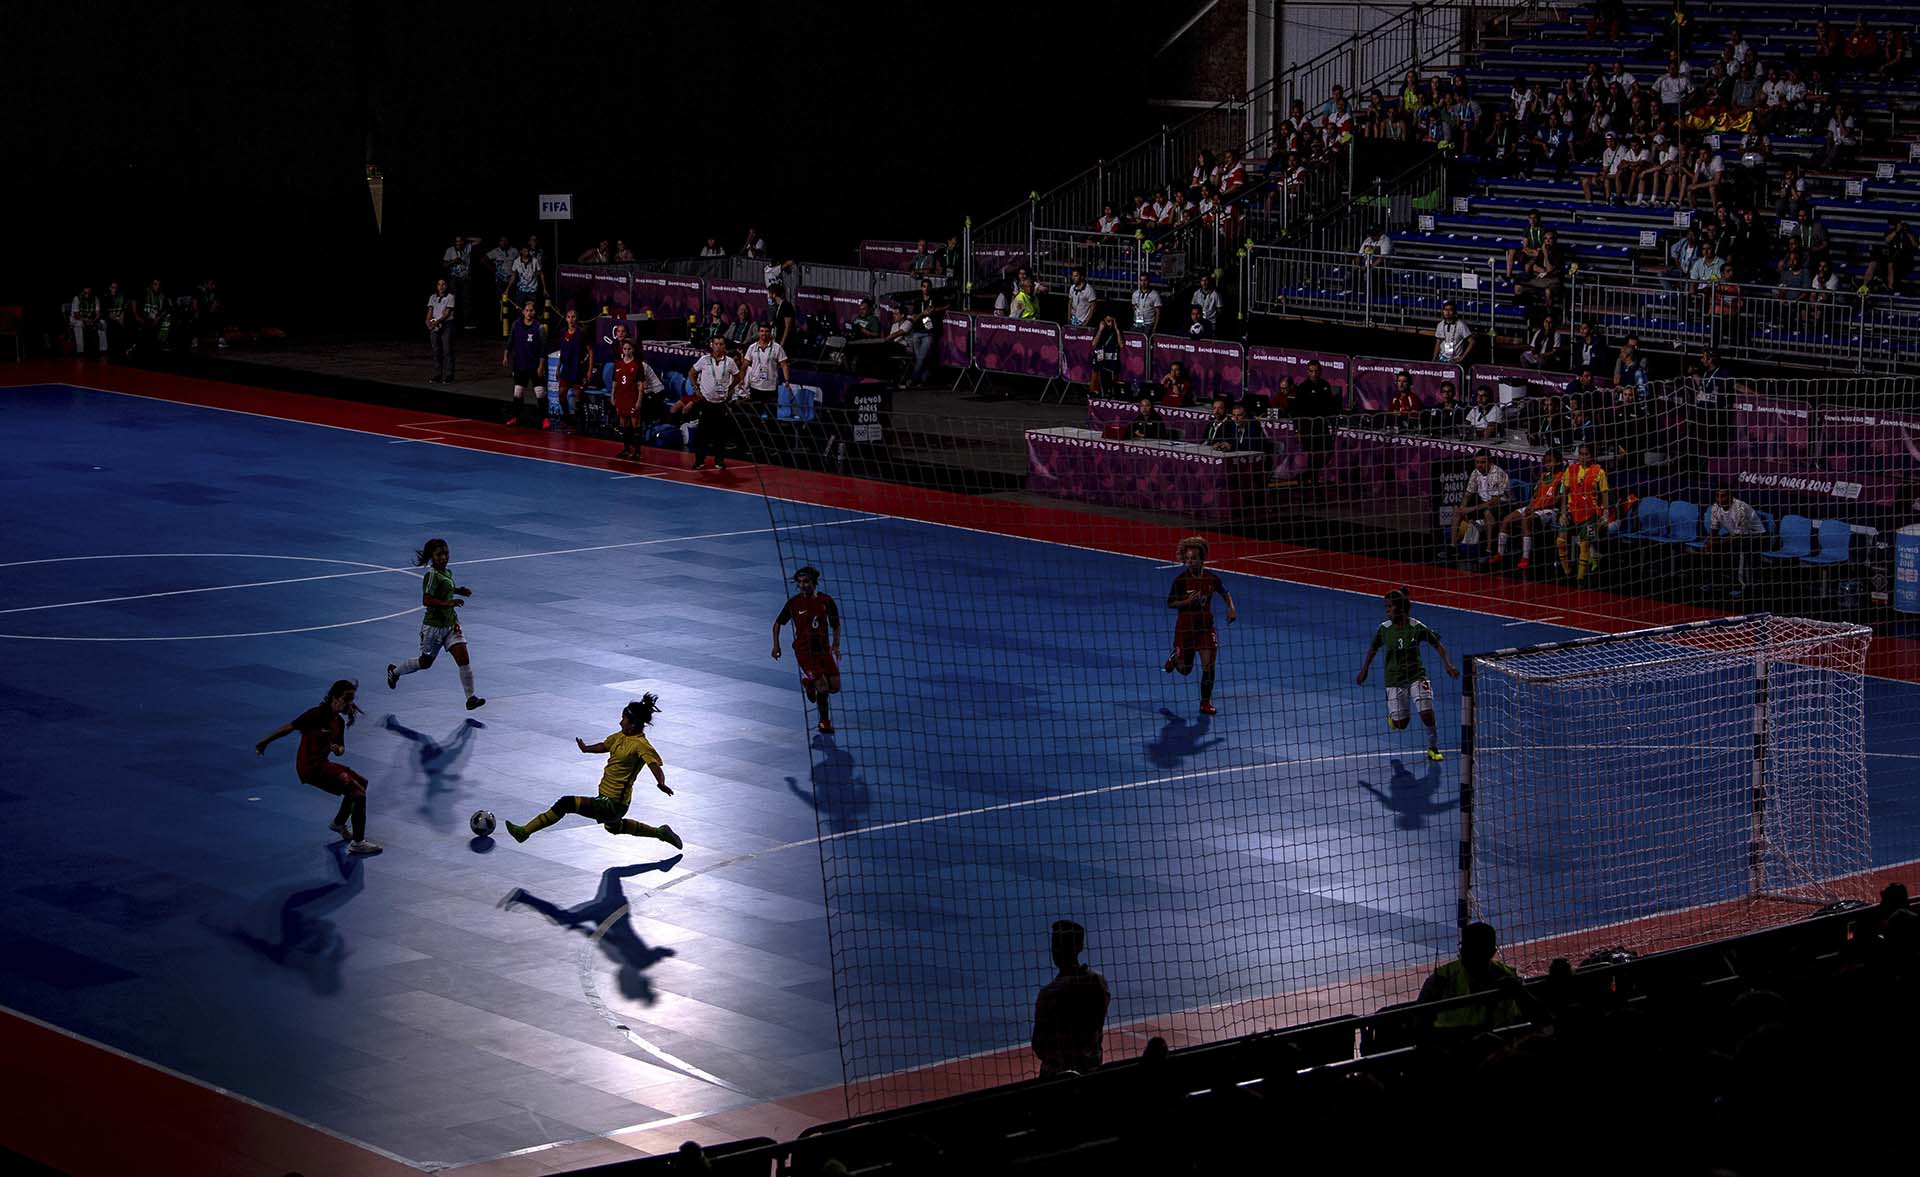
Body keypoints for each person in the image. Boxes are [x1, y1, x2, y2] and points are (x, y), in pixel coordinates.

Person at [504, 696, 682, 850]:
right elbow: (605, 746)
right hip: (605, 797)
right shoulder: (620, 736)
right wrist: (587, 749)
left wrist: (661, 783)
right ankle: (661, 832)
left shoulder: (641, 745)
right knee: (614, 827)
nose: (620, 722)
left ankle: (524, 832)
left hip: (613, 803)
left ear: (633, 724)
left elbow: (654, 766)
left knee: (566, 803)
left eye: (623, 719)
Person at [254, 680, 382, 856]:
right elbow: (289, 728)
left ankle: (339, 823)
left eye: (352, 699)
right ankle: (357, 842)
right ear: (334, 697)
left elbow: (340, 749)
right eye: (347, 698)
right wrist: (265, 742)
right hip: (310, 767)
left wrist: (337, 749)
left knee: (362, 783)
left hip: (323, 764)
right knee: (358, 794)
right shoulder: (314, 715)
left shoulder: (338, 722)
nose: (350, 703)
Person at [1355, 587, 1458, 762]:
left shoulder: (1417, 627)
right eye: (1386, 607)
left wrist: (1448, 665)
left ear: (1400, 608)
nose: (1386, 611)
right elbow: (1373, 649)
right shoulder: (1384, 629)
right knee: (1402, 724)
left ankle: (1433, 747)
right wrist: (1364, 670)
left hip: (1417, 675)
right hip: (1394, 679)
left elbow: (1437, 645)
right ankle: (1393, 719)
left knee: (1426, 712)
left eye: (1389, 607)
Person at [384, 536, 484, 706]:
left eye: (446, 553)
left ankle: (471, 698)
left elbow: (446, 590)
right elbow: (427, 600)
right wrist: (449, 603)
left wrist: (459, 590)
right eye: (439, 554)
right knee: (425, 663)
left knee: (464, 659)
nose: (444, 557)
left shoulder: (447, 572)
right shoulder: (431, 576)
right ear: (432, 556)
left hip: (451, 625)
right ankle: (395, 671)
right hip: (433, 628)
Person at [1162, 536, 1236, 716]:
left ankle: (1205, 703)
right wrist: (1187, 601)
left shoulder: (1212, 578)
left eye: (1194, 558)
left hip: (1205, 628)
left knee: (1208, 665)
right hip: (1185, 629)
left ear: (1202, 558)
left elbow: (1224, 592)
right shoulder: (1180, 581)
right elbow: (1170, 603)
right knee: (1185, 670)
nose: (1190, 562)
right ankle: (1174, 657)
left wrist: (1231, 608)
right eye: (1187, 559)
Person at [1031, 919, 1111, 1079]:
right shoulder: (1099, 982)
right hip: (1091, 1069)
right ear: (1079, 947)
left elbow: (1039, 1045)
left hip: (1054, 1078)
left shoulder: (1049, 994)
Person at [772, 565, 843, 735]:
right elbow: (777, 624)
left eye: (806, 581)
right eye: (800, 582)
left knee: (835, 686)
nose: (803, 585)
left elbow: (836, 625)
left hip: (823, 650)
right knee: (824, 688)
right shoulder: (794, 603)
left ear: (814, 582)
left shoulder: (826, 601)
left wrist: (836, 645)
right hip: (805, 652)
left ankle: (809, 684)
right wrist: (776, 645)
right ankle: (824, 722)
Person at [1419, 922, 1522, 1031]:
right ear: (1493, 952)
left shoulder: (1442, 978)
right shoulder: (1440, 979)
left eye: (1474, 950)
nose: (1465, 953)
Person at [1492, 447, 1564, 570]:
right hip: (1535, 507)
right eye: (1546, 462)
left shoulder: (1562, 477)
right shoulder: (1542, 476)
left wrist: (1536, 508)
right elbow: (1534, 496)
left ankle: (1525, 557)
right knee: (1507, 520)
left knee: (1527, 519)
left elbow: (1558, 500)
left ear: (1558, 462)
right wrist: (1530, 507)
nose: (1548, 464)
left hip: (1550, 511)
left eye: (1550, 461)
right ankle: (1500, 553)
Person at [689, 334, 744, 471]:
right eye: (716, 344)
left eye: (721, 344)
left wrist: (730, 389)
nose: (719, 347)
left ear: (725, 346)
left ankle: (719, 460)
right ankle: (699, 460)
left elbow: (738, 377)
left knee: (720, 433)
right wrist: (696, 389)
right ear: (711, 345)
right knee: (703, 433)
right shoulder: (704, 360)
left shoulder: (730, 362)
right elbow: (691, 373)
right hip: (706, 401)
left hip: (721, 402)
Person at [1555, 443, 1609, 580]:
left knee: (1585, 545)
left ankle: (1580, 578)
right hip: (1571, 511)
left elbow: (1604, 494)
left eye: (1586, 454)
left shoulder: (1599, 472)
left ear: (1592, 456)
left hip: (1591, 514)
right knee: (1560, 541)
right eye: (1581, 454)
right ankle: (1567, 571)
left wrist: (1605, 513)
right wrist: (1562, 512)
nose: (1583, 457)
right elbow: (1564, 492)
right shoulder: (1570, 470)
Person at [1701, 487, 1766, 597]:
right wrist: (1710, 542)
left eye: (1723, 496)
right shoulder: (1715, 508)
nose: (1720, 499)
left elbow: (1739, 537)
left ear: (1731, 496)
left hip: (1757, 537)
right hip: (1736, 536)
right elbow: (1714, 530)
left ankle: (1744, 587)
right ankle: (1716, 582)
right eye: (1717, 496)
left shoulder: (1740, 509)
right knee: (1713, 549)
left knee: (1741, 549)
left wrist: (1717, 543)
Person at [1454, 449, 1511, 562]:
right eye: (1477, 462)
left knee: (1487, 513)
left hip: (1502, 504)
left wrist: (1470, 509)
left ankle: (1489, 550)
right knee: (1457, 511)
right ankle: (1453, 546)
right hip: (1484, 503)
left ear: (1490, 462)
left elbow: (1494, 501)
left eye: (1483, 462)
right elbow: (1468, 495)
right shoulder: (1475, 473)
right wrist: (1462, 508)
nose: (1479, 465)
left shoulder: (1497, 473)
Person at [501, 301, 547, 427]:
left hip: (535, 365)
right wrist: (506, 355)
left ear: (534, 312)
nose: (529, 313)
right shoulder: (516, 324)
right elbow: (510, 340)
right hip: (520, 365)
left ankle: (545, 418)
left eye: (531, 310)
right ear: (523, 312)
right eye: (526, 310)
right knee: (518, 392)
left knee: (540, 392)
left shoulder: (539, 327)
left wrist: (541, 365)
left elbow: (544, 348)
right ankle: (516, 417)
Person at [551, 306, 592, 430]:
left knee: (577, 398)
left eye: (573, 317)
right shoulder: (562, 332)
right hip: (566, 369)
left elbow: (590, 351)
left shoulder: (582, 333)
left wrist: (589, 370)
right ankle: (567, 418)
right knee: (561, 394)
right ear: (566, 319)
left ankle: (578, 423)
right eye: (569, 317)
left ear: (577, 319)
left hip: (578, 370)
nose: (571, 319)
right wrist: (558, 367)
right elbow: (562, 352)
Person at [609, 339, 644, 461]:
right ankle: (626, 448)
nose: (627, 351)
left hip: (632, 396)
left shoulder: (637, 364)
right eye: (625, 349)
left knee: (635, 423)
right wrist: (612, 395)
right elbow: (615, 381)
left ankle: (638, 451)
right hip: (621, 396)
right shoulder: (618, 364)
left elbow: (640, 384)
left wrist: (639, 400)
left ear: (633, 349)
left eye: (629, 349)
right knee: (624, 423)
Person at [743, 323, 790, 407]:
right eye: (762, 331)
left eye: (766, 331)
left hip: (771, 387)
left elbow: (784, 365)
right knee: (755, 415)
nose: (764, 333)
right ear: (758, 332)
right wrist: (741, 379)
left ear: (770, 332)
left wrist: (786, 380)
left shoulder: (777, 347)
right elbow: (744, 365)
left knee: (771, 416)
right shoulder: (752, 347)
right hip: (755, 387)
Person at [426, 277, 456, 384]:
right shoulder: (433, 297)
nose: (441, 287)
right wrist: (428, 323)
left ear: (446, 286)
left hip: (446, 324)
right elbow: (430, 311)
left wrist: (437, 322)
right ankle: (437, 374)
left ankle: (449, 375)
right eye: (439, 284)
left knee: (447, 350)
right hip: (435, 324)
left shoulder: (450, 297)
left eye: (443, 284)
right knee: (436, 350)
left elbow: (446, 313)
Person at [1089, 314, 1123, 396]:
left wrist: (1117, 330)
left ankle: (1112, 394)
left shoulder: (1116, 330)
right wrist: (1100, 330)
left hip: (1112, 359)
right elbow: (1094, 343)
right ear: (1103, 321)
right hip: (1100, 358)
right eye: (1108, 321)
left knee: (1113, 378)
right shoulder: (1099, 329)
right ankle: (1094, 394)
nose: (1110, 323)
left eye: (1112, 321)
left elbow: (1121, 345)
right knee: (1096, 375)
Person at [1433, 300, 1474, 364]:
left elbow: (1472, 341)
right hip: (1442, 358)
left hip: (1455, 360)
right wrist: (1434, 358)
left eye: (1450, 310)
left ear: (1454, 312)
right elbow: (1438, 342)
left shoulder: (1461, 325)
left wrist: (1462, 357)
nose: (1447, 312)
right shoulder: (1440, 325)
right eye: (1445, 309)